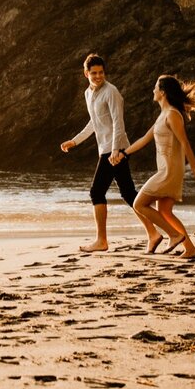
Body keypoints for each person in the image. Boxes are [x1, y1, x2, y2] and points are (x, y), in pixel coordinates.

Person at [117, 74, 195, 261]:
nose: (153, 90)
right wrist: (124, 154)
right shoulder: (163, 115)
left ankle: (173, 235)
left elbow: (185, 143)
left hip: (168, 172)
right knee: (165, 212)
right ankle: (190, 249)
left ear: (163, 92)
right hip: (167, 170)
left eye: (155, 87)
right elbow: (145, 138)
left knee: (139, 204)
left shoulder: (173, 115)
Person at [60, 53, 138, 252]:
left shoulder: (111, 92)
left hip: (113, 149)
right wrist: (75, 141)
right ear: (86, 74)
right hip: (107, 149)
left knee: (96, 192)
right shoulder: (88, 94)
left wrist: (114, 151)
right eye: (93, 73)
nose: (98, 76)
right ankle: (157, 232)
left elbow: (118, 123)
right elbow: (94, 123)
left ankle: (101, 241)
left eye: (101, 72)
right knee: (129, 194)